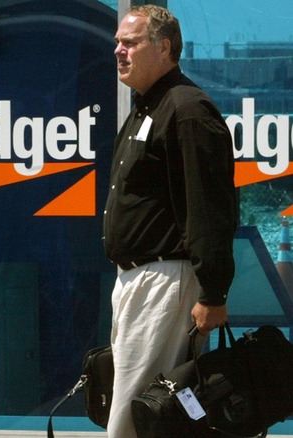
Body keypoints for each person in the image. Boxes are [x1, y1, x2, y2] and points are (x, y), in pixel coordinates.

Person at [103, 5, 237, 437]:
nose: (119, 51)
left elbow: (210, 208)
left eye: (130, 43)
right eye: (118, 43)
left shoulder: (187, 109)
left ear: (163, 48)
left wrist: (213, 291)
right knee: (155, 410)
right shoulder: (148, 106)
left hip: (166, 279)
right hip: (138, 281)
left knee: (135, 413)